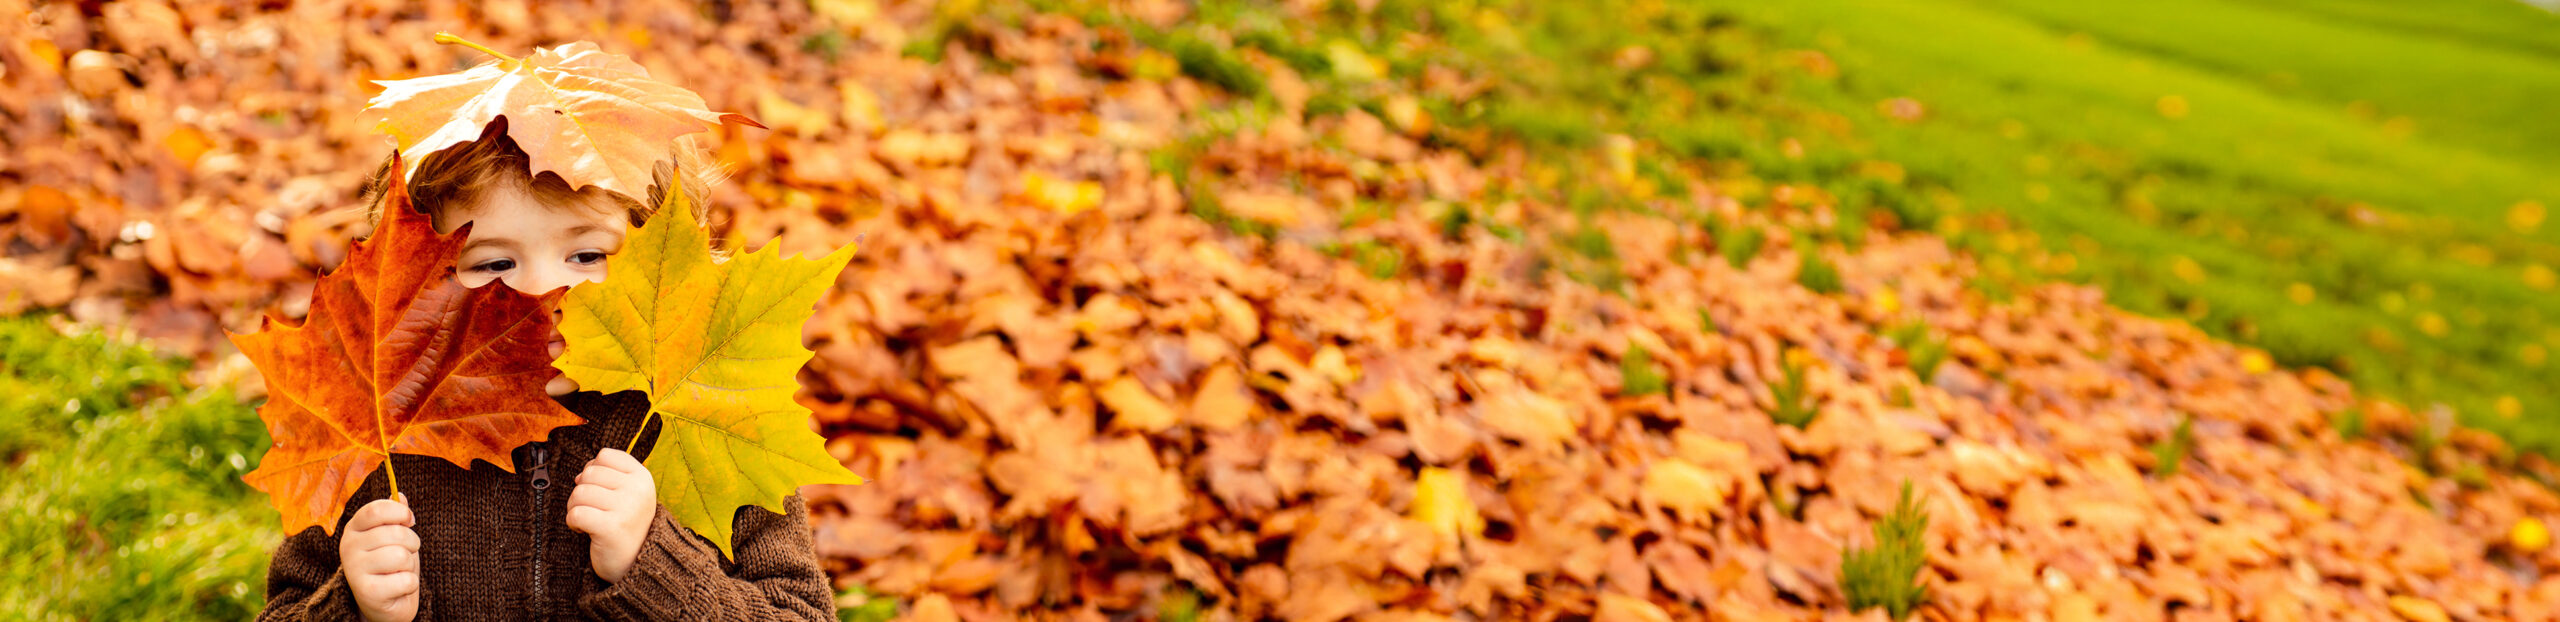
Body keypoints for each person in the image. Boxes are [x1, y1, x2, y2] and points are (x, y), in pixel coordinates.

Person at [257, 118, 835, 621]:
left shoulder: (708, 420)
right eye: (494, 262)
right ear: (418, 280)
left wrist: (654, 563)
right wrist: (352, 607)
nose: (540, 292)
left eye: (587, 255)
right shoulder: (378, 437)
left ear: (666, 266)